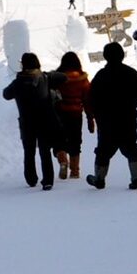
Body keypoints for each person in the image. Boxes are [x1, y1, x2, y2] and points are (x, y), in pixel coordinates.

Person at [84, 42, 137, 190]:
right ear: (122, 55)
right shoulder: (131, 73)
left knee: (103, 150)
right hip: (127, 117)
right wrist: (132, 104)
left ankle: (99, 179)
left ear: (105, 56)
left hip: (106, 121)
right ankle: (136, 179)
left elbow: (91, 98)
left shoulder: (100, 76)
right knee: (131, 147)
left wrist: (96, 113)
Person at [2, 53, 64, 190]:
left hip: (27, 122)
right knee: (45, 151)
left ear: (23, 65)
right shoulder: (44, 78)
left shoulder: (18, 82)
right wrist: (49, 75)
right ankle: (48, 181)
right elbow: (63, 77)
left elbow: (6, 94)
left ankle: (31, 179)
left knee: (29, 151)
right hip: (44, 120)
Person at [52, 52, 93, 181]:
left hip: (60, 113)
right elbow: (88, 100)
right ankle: (75, 171)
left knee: (59, 140)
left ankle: (63, 160)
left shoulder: (57, 78)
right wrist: (90, 119)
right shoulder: (82, 79)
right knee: (75, 141)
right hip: (76, 114)